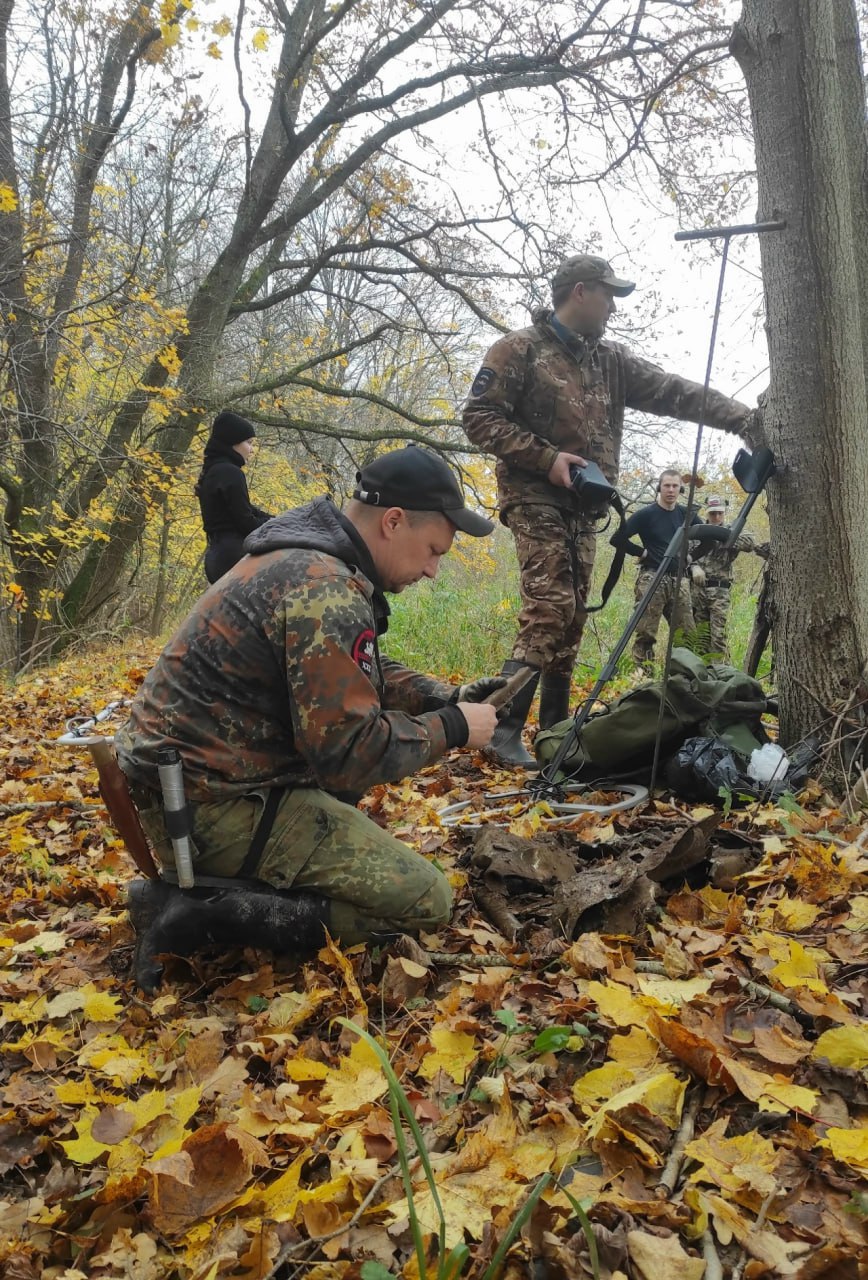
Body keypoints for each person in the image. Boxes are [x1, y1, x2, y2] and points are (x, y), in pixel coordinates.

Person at [116, 446, 503, 991]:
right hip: (211, 811)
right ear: (393, 522)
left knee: (349, 814)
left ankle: (178, 893)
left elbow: (348, 662)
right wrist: (456, 727)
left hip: (182, 795)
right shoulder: (323, 583)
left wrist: (444, 695)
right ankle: (208, 916)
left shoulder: (304, 560)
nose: (434, 570)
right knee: (426, 900)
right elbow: (349, 754)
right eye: (434, 550)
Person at [462, 253, 755, 765]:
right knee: (550, 608)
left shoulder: (611, 360)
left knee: (573, 616)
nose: (614, 307)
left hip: (584, 509)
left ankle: (553, 729)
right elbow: (478, 417)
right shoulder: (518, 349)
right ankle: (501, 728)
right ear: (580, 291)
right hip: (535, 498)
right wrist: (548, 459)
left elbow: (671, 390)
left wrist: (742, 418)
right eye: (609, 295)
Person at [615, 468, 702, 669]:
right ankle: (643, 681)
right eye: (666, 485)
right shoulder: (646, 514)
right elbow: (617, 538)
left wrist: (690, 558)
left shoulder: (686, 515)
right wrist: (643, 553)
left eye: (675, 486)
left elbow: (708, 538)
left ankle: (680, 682)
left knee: (687, 635)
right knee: (646, 633)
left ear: (680, 489)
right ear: (659, 488)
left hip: (679, 580)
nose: (671, 490)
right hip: (652, 577)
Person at [196, 410, 273, 583]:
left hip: (216, 558)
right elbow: (246, 522)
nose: (252, 449)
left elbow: (248, 510)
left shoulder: (212, 471)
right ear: (233, 442)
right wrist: (277, 525)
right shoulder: (231, 472)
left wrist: (273, 519)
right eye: (249, 442)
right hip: (235, 558)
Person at [691, 494, 769, 661]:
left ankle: (721, 675)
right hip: (698, 590)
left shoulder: (732, 530)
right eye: (713, 513)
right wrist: (694, 567)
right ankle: (702, 676)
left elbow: (749, 542)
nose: (717, 517)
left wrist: (724, 536)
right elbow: (683, 554)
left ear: (724, 513)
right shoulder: (697, 531)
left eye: (720, 513)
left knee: (718, 636)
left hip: (719, 591)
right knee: (700, 636)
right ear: (707, 513)